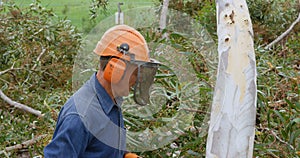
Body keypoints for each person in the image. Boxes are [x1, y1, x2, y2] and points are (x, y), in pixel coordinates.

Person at [44, 24, 159, 157]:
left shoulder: (111, 101)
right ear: (116, 70)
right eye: (135, 74)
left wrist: (124, 155)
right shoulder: (81, 116)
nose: (136, 82)